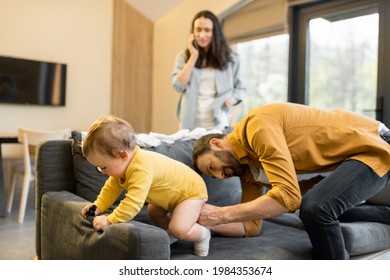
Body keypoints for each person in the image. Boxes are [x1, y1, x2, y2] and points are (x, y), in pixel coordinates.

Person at [192, 102, 390, 259]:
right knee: (316, 207)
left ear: (216, 143)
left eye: (213, 167)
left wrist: (221, 214)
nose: (219, 176)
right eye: (213, 176)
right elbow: (250, 227)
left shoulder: (257, 127)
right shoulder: (248, 172)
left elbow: (288, 197)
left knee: (316, 209)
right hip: (350, 157)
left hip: (374, 144)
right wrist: (200, 223)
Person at [81, 115, 211, 256]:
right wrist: (98, 206)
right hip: (169, 194)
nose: (102, 172)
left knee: (179, 228)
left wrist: (110, 220)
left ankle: (203, 234)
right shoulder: (124, 166)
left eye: (103, 167)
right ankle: (172, 233)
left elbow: (133, 204)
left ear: (123, 155)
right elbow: (110, 189)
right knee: (153, 212)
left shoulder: (141, 168)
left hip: (190, 192)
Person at [171, 10, 246, 131]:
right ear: (193, 32)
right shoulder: (183, 57)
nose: (202, 35)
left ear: (215, 32)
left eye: (207, 30)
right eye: (198, 30)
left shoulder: (231, 59)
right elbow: (178, 85)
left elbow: (241, 89)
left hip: (218, 120)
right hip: (189, 121)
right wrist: (193, 56)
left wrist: (230, 100)